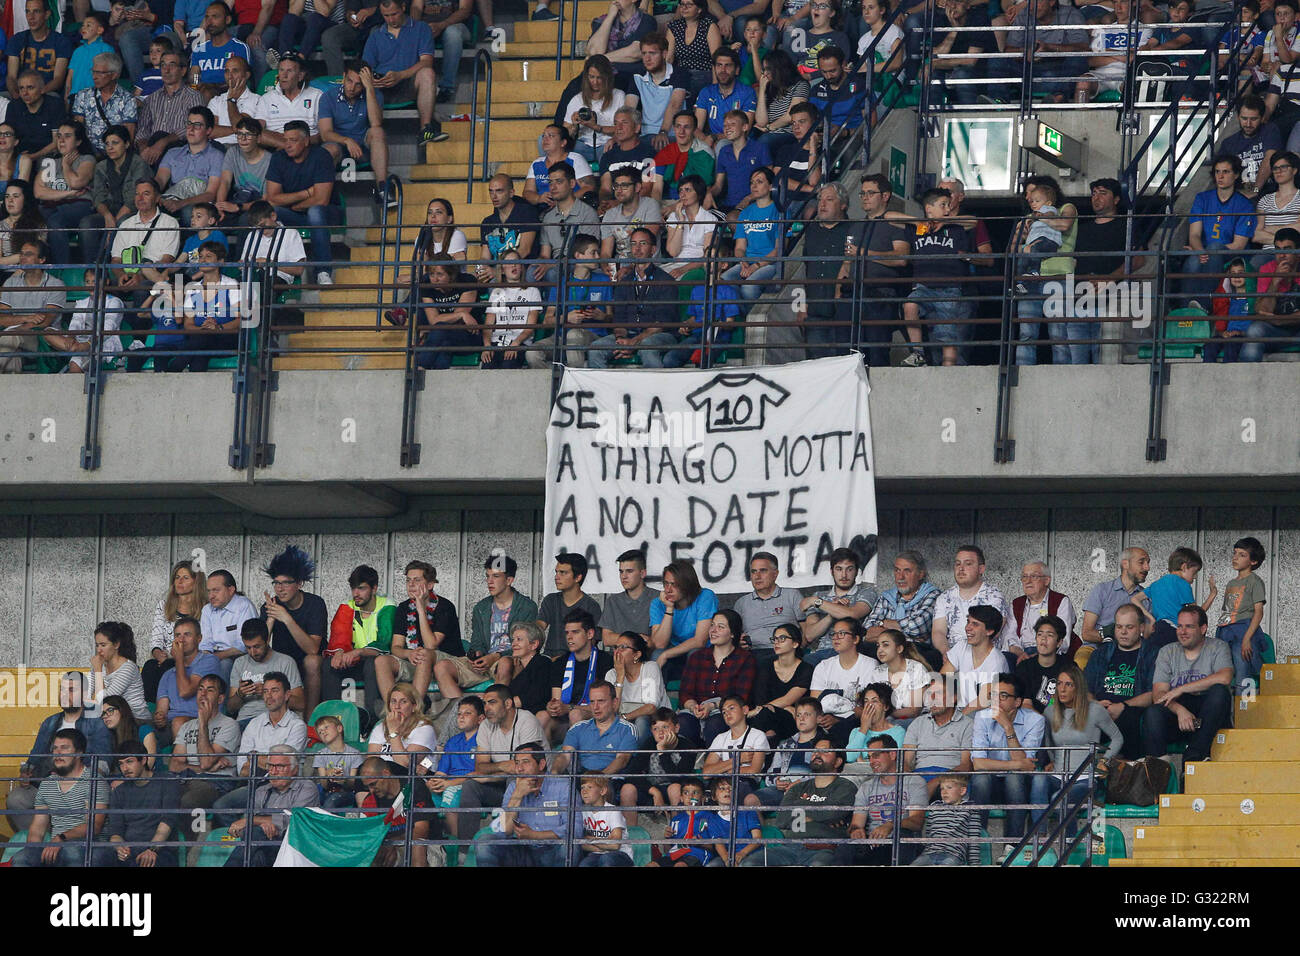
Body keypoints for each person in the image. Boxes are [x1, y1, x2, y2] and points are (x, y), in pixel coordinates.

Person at [1031, 663, 1122, 832]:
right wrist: (1051, 760)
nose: (1062, 689)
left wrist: (1104, 761)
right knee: (1038, 780)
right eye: (1059, 684)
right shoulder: (1050, 711)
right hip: (1059, 775)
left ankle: (1069, 849)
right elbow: (1049, 743)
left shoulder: (1094, 710)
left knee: (1059, 799)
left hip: (1084, 778)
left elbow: (1117, 738)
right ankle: (1040, 837)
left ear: (1078, 687)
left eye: (1068, 684)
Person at [454, 683, 546, 841]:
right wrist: (504, 766)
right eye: (484, 704)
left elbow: (526, 768)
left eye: (492, 702)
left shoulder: (527, 721)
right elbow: (480, 766)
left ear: (508, 703)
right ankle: (465, 850)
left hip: (534, 787)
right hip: (502, 785)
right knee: (470, 786)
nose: (487, 708)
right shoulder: (485, 725)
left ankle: (512, 841)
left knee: (516, 779)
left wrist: (491, 775)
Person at [741, 738, 854, 866]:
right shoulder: (798, 788)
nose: (817, 754)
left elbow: (833, 814)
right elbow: (782, 819)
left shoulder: (845, 786)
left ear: (838, 762)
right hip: (790, 847)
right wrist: (817, 813)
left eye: (825, 751)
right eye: (815, 751)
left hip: (825, 848)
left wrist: (799, 810)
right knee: (751, 863)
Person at [900, 186, 973, 367]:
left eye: (948, 205)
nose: (948, 209)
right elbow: (889, 217)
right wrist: (918, 222)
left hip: (949, 287)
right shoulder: (919, 228)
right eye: (943, 205)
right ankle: (918, 353)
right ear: (928, 208)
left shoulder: (955, 228)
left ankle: (948, 372)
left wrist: (946, 222)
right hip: (923, 286)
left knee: (947, 334)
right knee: (909, 305)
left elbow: (974, 221)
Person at [265, 120, 343, 287]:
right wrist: (305, 193)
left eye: (293, 140)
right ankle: (270, 269)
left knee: (315, 212)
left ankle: (323, 271)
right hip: (296, 213)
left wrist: (294, 205)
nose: (288, 145)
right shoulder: (278, 158)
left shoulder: (321, 156)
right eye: (285, 140)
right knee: (269, 212)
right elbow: (272, 198)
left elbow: (321, 199)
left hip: (327, 213)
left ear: (306, 141)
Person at [13, 730, 106, 868]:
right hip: (57, 847)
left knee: (72, 854)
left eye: (64, 748)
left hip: (89, 847)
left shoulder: (94, 781)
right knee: (21, 858)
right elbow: (38, 828)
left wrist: (61, 838)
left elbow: (94, 826)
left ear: (79, 753)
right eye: (55, 748)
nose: (58, 753)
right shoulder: (47, 783)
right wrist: (32, 852)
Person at [589, 226, 680, 366]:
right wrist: (621, 340)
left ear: (653, 250)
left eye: (643, 244)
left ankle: (655, 388)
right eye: (633, 244)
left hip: (659, 336)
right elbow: (619, 319)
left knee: (647, 347)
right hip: (629, 335)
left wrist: (634, 342)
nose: (637, 248)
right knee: (595, 349)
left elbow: (662, 323)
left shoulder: (666, 280)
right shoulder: (625, 281)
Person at [970, 672, 1044, 841]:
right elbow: (978, 764)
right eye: (993, 695)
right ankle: (976, 841)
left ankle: (1012, 844)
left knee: (1014, 778)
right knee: (981, 779)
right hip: (991, 783)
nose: (996, 701)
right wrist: (1016, 765)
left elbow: (1026, 767)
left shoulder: (1036, 721)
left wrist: (1008, 727)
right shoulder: (981, 717)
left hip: (1020, 785)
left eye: (1003, 696)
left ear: (1017, 702)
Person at [259, 544, 327, 719]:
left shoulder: (315, 604)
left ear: (299, 583)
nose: (280, 589)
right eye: (276, 583)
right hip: (282, 664)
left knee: (312, 660)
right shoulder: (270, 607)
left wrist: (286, 618)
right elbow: (259, 651)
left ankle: (310, 720)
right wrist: (271, 619)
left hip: (310, 666)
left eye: (286, 583)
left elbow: (312, 648)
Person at [475, 742, 571, 867]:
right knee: (485, 842)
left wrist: (535, 836)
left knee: (567, 847)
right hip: (522, 851)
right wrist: (518, 794)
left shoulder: (563, 786)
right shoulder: (514, 787)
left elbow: (573, 829)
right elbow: (505, 830)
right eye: (517, 763)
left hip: (552, 850)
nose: (519, 768)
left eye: (525, 762)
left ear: (541, 764)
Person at [380, 559, 463, 703]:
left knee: (425, 653)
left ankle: (413, 710)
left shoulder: (445, 606)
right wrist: (409, 653)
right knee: (381, 661)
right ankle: (392, 710)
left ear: (430, 585)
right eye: (408, 580)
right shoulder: (403, 608)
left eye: (417, 580)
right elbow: (396, 647)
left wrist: (420, 610)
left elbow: (431, 645)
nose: (411, 585)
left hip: (446, 663)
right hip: (417, 661)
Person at [361, 0, 443, 144]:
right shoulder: (375, 35)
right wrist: (374, 80)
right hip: (381, 88)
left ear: (403, 8)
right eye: (386, 16)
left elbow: (426, 61)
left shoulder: (421, 28)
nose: (391, 20)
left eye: (394, 14)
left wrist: (401, 75)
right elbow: (366, 67)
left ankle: (426, 129)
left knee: (427, 73)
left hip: (408, 84)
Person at [835, 736, 927, 865]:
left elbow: (917, 821)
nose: (872, 761)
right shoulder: (866, 786)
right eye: (869, 757)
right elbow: (857, 823)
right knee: (846, 845)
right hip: (872, 843)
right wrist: (856, 830)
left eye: (876, 755)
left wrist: (890, 825)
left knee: (902, 837)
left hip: (901, 842)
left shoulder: (914, 782)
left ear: (893, 754)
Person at [223, 746, 321, 867]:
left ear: (294, 769)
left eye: (280, 766)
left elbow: (295, 821)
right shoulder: (261, 791)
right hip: (266, 847)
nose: (273, 772)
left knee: (256, 835)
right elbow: (246, 830)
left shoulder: (307, 788)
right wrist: (262, 824)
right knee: (257, 853)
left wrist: (254, 821)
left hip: (295, 848)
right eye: (270, 766)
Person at [1179, 155, 1257, 306]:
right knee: (1193, 262)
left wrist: (1207, 251)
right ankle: (1186, 309)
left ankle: (1203, 305)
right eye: (1217, 172)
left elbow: (1238, 245)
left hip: (1230, 255)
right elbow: (1194, 235)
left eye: (1226, 172)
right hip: (1205, 253)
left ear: (1235, 175)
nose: (1220, 176)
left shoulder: (1244, 205)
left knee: (1214, 248)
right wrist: (1200, 251)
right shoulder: (1202, 198)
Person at [1084, 602, 1157, 759]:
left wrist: (1122, 706)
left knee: (1130, 718)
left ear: (1142, 628)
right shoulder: (1100, 654)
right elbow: (1084, 689)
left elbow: (1154, 694)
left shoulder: (1152, 654)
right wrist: (1096, 704)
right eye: (1119, 627)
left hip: (1131, 713)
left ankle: (1129, 768)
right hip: (1100, 711)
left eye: (1129, 627)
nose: (1123, 632)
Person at [93, 740, 180, 867]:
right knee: (98, 858)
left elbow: (167, 822)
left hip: (161, 850)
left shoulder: (167, 783)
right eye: (121, 764)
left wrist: (152, 850)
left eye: (129, 761)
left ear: (143, 760)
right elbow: (116, 831)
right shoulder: (119, 792)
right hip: (130, 849)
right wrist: (120, 847)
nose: (125, 768)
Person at [676, 608, 758, 743]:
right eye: (712, 625)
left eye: (721, 627)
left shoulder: (745, 659)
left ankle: (712, 762)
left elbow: (741, 697)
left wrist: (712, 706)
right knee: (683, 722)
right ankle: (688, 763)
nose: (713, 630)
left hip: (725, 709)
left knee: (716, 723)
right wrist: (693, 706)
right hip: (697, 708)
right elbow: (685, 693)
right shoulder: (697, 657)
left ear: (732, 633)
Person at [323, 563, 392, 716]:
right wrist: (340, 652)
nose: (356, 593)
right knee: (329, 664)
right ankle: (331, 717)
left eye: (361, 588)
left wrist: (358, 652)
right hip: (352, 662)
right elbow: (338, 635)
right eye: (353, 588)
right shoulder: (347, 606)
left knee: (371, 663)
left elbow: (385, 641)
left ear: (374, 589)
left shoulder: (387, 606)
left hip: (376, 663)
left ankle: (371, 718)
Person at [169, 673, 242, 811]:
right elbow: (174, 765)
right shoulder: (187, 726)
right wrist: (203, 770)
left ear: (220, 699)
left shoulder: (229, 725)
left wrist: (203, 723)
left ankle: (194, 833)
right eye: (200, 689)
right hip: (188, 778)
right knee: (160, 795)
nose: (203, 694)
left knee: (188, 801)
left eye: (210, 690)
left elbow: (206, 761)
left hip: (217, 782)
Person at [81, 125, 150, 267]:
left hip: (133, 212)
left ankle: (110, 267)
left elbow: (134, 198)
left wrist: (111, 225)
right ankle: (91, 269)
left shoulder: (138, 163)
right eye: (107, 144)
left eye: (115, 143)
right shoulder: (101, 166)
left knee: (122, 223)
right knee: (86, 223)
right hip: (109, 212)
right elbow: (98, 196)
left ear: (126, 144)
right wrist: (107, 216)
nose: (110, 148)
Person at [319, 61, 390, 194]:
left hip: (363, 149)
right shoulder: (328, 97)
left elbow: (375, 123)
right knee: (329, 150)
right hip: (339, 145)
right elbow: (325, 133)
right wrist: (346, 140)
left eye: (358, 84)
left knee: (378, 132)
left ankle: (382, 188)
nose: (351, 88)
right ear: (344, 76)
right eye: (349, 81)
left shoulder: (375, 95)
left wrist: (369, 89)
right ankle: (321, 195)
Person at [619, 708, 699, 825]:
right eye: (656, 729)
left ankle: (678, 831)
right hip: (652, 789)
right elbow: (631, 774)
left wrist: (662, 752)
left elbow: (678, 778)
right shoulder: (649, 743)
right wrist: (654, 791)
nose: (660, 732)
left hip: (677, 791)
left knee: (675, 788)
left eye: (665, 727)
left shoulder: (687, 746)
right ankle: (631, 835)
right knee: (627, 789)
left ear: (676, 728)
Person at [931, 545, 1016, 654]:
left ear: (981, 569)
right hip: (951, 655)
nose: (961, 568)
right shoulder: (944, 597)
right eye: (958, 564)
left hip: (983, 656)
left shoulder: (993, 595)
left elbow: (993, 631)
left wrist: (964, 657)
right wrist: (946, 653)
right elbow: (938, 632)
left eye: (968, 564)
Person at [799, 545, 878, 663]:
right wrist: (831, 615)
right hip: (822, 653)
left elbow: (853, 614)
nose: (844, 575)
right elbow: (810, 635)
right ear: (832, 571)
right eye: (839, 569)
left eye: (849, 569)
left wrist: (816, 602)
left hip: (853, 651)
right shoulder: (819, 595)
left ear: (857, 571)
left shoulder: (867, 593)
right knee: (803, 666)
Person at [34, 121, 95, 268]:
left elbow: (76, 182)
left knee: (54, 220)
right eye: (59, 136)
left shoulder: (86, 160)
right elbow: (38, 192)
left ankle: (63, 269)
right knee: (47, 216)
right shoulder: (50, 163)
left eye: (67, 136)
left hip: (79, 206)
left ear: (78, 141)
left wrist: (66, 166)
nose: (61, 140)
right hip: (55, 206)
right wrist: (68, 194)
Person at [649, 559, 719, 682]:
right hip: (673, 647)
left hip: (700, 650)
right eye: (666, 583)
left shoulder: (705, 596)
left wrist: (666, 654)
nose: (668, 590)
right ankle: (653, 699)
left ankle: (691, 699)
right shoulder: (658, 603)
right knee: (656, 654)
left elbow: (700, 641)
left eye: (674, 584)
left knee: (695, 654)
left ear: (687, 585)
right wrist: (669, 608)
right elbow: (659, 644)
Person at [903, 679, 974, 798]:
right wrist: (912, 782)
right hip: (919, 777)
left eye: (939, 693)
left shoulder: (967, 724)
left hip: (951, 778)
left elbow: (966, 766)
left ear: (954, 698)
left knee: (952, 789)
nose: (933, 698)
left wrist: (937, 781)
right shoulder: (918, 723)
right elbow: (906, 762)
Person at [548, 610, 616, 732]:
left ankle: (574, 751)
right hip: (564, 719)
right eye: (567, 632)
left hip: (594, 715)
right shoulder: (560, 663)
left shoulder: (606, 661)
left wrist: (570, 708)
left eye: (575, 632)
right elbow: (557, 700)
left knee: (575, 714)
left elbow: (606, 705)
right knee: (542, 717)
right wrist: (553, 707)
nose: (569, 637)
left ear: (590, 634)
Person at [1216, 536, 1268, 695]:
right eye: (1235, 553)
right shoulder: (1231, 583)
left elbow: (1258, 613)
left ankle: (1246, 709)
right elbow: (1228, 611)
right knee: (1220, 669)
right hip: (1225, 630)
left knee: (1243, 662)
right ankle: (1226, 710)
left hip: (1244, 630)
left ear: (1253, 561)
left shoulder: (1255, 581)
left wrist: (1246, 639)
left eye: (1242, 555)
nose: (1235, 557)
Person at [154, 616, 222, 740]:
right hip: (170, 724)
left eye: (187, 634)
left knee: (179, 722)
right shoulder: (168, 674)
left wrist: (178, 659)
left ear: (199, 638)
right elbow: (161, 709)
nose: (181, 640)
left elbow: (185, 691)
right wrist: (160, 717)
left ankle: (181, 759)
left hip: (203, 722)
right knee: (140, 728)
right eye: (177, 635)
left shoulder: (209, 661)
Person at [808, 619, 873, 747]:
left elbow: (871, 709)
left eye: (842, 633)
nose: (836, 637)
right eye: (834, 634)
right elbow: (814, 703)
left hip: (857, 722)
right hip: (825, 722)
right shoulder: (823, 666)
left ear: (856, 639)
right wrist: (822, 719)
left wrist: (839, 719)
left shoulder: (870, 666)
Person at [555, 680, 637, 779]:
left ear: (615, 702)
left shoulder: (627, 729)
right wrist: (554, 772)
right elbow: (565, 756)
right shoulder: (577, 728)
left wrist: (597, 779)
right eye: (592, 702)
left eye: (601, 701)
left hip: (612, 780)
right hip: (583, 779)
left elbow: (622, 760)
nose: (595, 707)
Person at [134, 52, 204, 167]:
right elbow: (143, 129)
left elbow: (195, 127)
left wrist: (163, 142)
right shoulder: (152, 99)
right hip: (151, 150)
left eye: (172, 65)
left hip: (180, 150)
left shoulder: (193, 97)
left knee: (160, 137)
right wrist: (144, 148)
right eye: (163, 65)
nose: (166, 70)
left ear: (183, 70)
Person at [227, 620, 306, 723]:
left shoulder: (285, 662)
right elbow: (230, 708)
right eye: (248, 647)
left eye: (257, 646)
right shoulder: (239, 663)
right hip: (246, 721)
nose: (252, 652)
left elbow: (300, 704)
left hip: (277, 719)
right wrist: (240, 694)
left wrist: (268, 692)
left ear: (268, 640)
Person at [746, 623, 813, 741]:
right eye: (775, 639)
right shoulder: (765, 665)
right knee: (766, 720)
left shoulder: (806, 669)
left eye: (782, 638)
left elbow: (788, 699)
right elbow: (760, 698)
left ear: (795, 643)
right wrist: (784, 707)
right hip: (765, 714)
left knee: (764, 717)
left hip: (792, 718)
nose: (777, 642)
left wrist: (763, 709)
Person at [753, 697, 826, 804]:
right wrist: (776, 781)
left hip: (810, 789)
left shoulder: (825, 744)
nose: (801, 718)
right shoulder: (785, 744)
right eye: (798, 715)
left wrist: (801, 782)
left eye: (807, 714)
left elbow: (826, 772)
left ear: (819, 718)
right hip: (782, 789)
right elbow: (771, 773)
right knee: (750, 800)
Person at [942, 604, 1012, 714]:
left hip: (983, 714)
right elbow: (943, 679)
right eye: (968, 622)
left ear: (989, 631)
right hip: (958, 710)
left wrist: (956, 720)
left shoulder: (997, 661)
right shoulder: (961, 646)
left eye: (975, 624)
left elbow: (983, 701)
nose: (967, 627)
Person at [196, 568, 257, 691]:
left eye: (216, 590)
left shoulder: (244, 606)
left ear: (231, 590)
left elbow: (244, 645)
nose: (211, 596)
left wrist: (217, 657)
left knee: (224, 665)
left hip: (241, 656)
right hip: (214, 655)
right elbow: (205, 643)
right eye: (209, 591)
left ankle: (222, 708)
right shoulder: (207, 610)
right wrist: (207, 658)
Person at [700, 694, 769, 801]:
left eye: (731, 708)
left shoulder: (758, 735)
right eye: (723, 712)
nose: (727, 713)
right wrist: (738, 759)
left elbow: (754, 770)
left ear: (745, 710)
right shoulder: (720, 738)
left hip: (745, 783)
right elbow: (706, 773)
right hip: (722, 784)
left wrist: (723, 770)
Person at [626, 33, 690, 148]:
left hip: (672, 136)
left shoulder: (679, 73)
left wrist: (663, 132)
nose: (647, 58)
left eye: (652, 53)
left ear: (664, 54)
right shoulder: (637, 76)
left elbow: (675, 105)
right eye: (644, 53)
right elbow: (629, 109)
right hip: (645, 136)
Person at [70, 52, 138, 156]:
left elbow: (128, 134)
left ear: (114, 75)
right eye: (93, 72)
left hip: (115, 154)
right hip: (88, 153)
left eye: (99, 73)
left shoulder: (127, 99)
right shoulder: (83, 95)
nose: (94, 77)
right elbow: (77, 129)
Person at [608, 632, 669, 746]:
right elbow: (611, 710)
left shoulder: (650, 667)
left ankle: (638, 761)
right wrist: (620, 676)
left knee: (641, 721)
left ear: (637, 655)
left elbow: (651, 707)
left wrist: (624, 717)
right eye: (615, 647)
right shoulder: (611, 675)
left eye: (623, 647)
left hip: (654, 721)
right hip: (623, 721)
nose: (617, 652)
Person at [1081, 546, 1152, 644]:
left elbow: (1147, 635)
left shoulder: (1147, 598)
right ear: (1125, 564)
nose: (1147, 568)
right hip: (1096, 648)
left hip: (1131, 651)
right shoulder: (1102, 590)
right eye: (1141, 562)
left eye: (1148, 563)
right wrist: (1111, 641)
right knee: (1081, 659)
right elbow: (1086, 633)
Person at [563, 55, 626, 162]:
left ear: (607, 77)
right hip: (582, 145)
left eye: (599, 77)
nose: (595, 82)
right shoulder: (577, 99)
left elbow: (624, 129)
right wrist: (574, 126)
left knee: (612, 152)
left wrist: (596, 127)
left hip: (607, 143)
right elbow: (564, 134)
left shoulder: (619, 96)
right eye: (591, 77)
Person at [1010, 561, 1078, 659]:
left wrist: (1038, 656)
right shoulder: (1016, 603)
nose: (1028, 581)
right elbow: (1010, 636)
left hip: (1049, 652)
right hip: (1019, 652)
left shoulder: (1060, 601)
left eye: (1034, 576)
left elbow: (1063, 638)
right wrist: (1020, 654)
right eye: (1024, 577)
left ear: (1046, 580)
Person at [5, 0, 72, 99]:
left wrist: (37, 94)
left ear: (47, 14)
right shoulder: (17, 39)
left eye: (36, 11)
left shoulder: (61, 41)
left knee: (53, 97)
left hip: (46, 93)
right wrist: (16, 94)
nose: (31, 17)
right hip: (21, 93)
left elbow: (58, 79)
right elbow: (11, 77)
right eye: (28, 11)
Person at [910, 772, 981, 865]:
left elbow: (973, 839)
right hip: (930, 853)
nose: (944, 792)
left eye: (949, 788)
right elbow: (929, 832)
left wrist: (974, 863)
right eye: (942, 788)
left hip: (954, 854)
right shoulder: (935, 806)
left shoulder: (970, 808)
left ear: (962, 791)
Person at [427, 696, 484, 810]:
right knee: (425, 796)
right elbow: (441, 772)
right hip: (447, 784)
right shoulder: (452, 741)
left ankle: (454, 829)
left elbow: (480, 775)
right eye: (459, 714)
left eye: (467, 713)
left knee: (450, 793)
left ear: (480, 718)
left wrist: (449, 784)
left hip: (470, 786)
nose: (461, 717)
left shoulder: (484, 740)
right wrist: (433, 782)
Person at [410, 0, 473, 102]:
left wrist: (441, 25)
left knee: (453, 33)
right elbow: (416, 8)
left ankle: (447, 88)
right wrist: (417, 28)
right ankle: (413, 89)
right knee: (411, 32)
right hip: (428, 26)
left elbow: (465, 10)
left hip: (455, 25)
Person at [649, 778, 720, 866]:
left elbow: (714, 847)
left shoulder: (708, 818)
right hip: (675, 854)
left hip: (697, 854)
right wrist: (667, 838)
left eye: (695, 793)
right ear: (681, 798)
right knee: (652, 865)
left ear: (703, 798)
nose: (690, 797)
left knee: (680, 865)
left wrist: (700, 843)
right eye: (686, 793)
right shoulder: (676, 820)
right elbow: (667, 850)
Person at [367, 681, 437, 770]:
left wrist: (393, 732)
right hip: (383, 778)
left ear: (414, 706)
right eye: (393, 701)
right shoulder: (380, 728)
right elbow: (371, 763)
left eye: (403, 702)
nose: (397, 706)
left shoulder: (424, 729)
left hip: (410, 781)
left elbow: (404, 765)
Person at [1222, 94, 1282, 198]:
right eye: (1244, 118)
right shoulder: (1228, 143)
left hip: (1269, 194)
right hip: (1240, 197)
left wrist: (1255, 190)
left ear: (1262, 118)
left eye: (1254, 119)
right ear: (1238, 117)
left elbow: (1270, 158)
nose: (1248, 124)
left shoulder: (1270, 131)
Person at [88, 621, 148, 723]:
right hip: (112, 717)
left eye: (103, 645)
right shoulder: (99, 665)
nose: (99, 650)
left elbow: (105, 701)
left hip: (136, 719)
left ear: (116, 645)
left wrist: (98, 670)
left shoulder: (128, 668)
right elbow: (86, 693)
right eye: (97, 645)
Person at [525, 125, 597, 208]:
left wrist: (564, 201)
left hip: (571, 208)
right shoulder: (536, 163)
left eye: (551, 136)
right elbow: (528, 192)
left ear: (563, 142)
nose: (545, 139)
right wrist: (538, 198)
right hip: (543, 209)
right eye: (544, 135)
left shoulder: (575, 159)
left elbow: (589, 187)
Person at [695, 49, 756, 146]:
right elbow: (696, 128)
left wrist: (715, 138)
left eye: (728, 65)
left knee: (722, 145)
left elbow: (743, 130)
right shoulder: (706, 92)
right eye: (719, 65)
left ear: (737, 70)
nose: (723, 70)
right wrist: (707, 142)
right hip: (712, 141)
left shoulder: (747, 93)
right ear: (714, 69)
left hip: (739, 143)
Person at [600, 166, 663, 261]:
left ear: (637, 187)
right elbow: (605, 253)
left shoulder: (650, 205)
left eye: (624, 186)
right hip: (620, 267)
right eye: (616, 186)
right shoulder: (610, 214)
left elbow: (646, 245)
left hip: (648, 266)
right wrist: (606, 267)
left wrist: (629, 268)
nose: (619, 190)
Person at [216, 117, 272, 224]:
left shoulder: (270, 160)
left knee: (245, 220)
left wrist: (238, 207)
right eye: (240, 134)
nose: (243, 138)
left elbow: (266, 199)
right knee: (215, 218)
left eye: (249, 134)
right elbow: (225, 182)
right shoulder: (233, 152)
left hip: (259, 205)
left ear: (259, 138)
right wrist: (220, 206)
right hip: (238, 198)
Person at [599, 549, 659, 647]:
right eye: (621, 571)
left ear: (642, 573)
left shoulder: (658, 598)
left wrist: (620, 639)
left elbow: (659, 641)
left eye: (629, 571)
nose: (624, 576)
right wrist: (639, 638)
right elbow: (607, 639)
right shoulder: (613, 601)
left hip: (651, 658)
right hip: (621, 659)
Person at [864, 629, 930, 718]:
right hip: (885, 721)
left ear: (899, 649)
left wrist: (883, 714)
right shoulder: (877, 672)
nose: (880, 650)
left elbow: (914, 711)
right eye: (878, 646)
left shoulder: (916, 669)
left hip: (915, 721)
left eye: (885, 645)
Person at [654, 110, 715, 204]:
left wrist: (674, 208)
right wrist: (655, 210)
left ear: (694, 130)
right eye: (678, 126)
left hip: (693, 204)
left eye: (687, 127)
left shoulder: (704, 153)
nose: (681, 131)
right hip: (667, 202)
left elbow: (702, 193)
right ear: (673, 128)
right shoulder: (666, 152)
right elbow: (657, 189)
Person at [479, 174, 540, 263]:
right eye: (491, 192)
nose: (494, 196)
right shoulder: (487, 222)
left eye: (499, 191)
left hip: (520, 270)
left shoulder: (527, 213)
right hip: (496, 272)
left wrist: (499, 270)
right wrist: (481, 269)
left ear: (511, 193)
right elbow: (485, 257)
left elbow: (525, 250)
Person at [1014, 615, 1070, 714]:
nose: (1043, 639)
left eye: (1050, 635)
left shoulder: (1069, 666)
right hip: (1034, 722)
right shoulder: (1025, 667)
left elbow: (1076, 701)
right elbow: (1026, 704)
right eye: (1040, 634)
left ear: (1059, 642)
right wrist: (1042, 722)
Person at [575, 776, 635, 866]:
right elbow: (580, 843)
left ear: (602, 791)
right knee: (584, 864)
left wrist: (591, 839)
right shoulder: (582, 811)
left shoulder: (612, 811)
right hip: (597, 854)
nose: (584, 791)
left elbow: (615, 846)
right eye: (582, 787)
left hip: (621, 855)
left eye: (589, 787)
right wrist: (602, 846)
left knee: (607, 859)